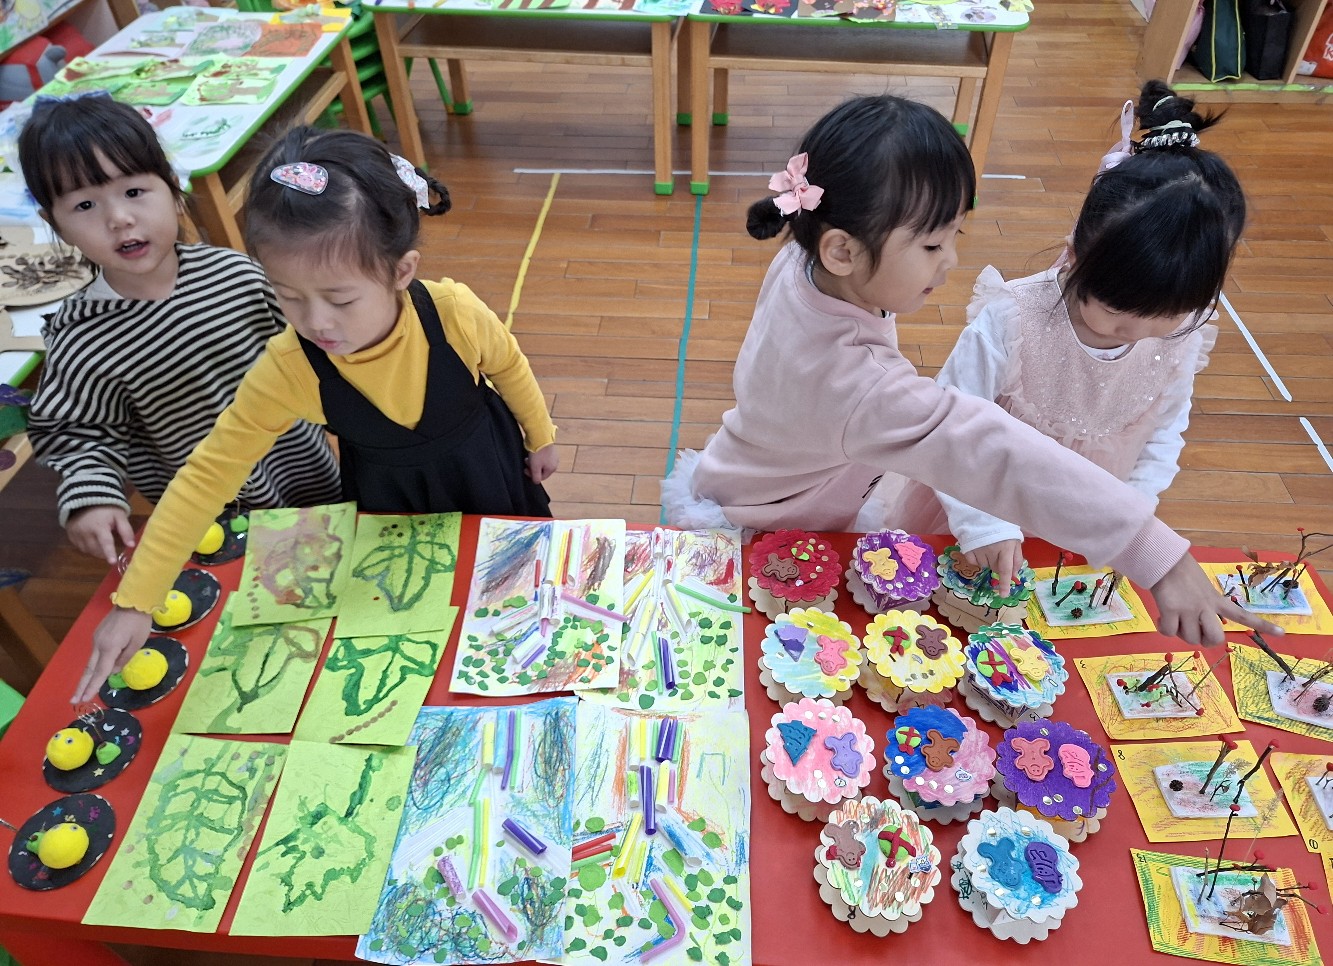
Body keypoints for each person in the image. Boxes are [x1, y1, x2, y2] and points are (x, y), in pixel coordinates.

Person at [660, 94, 1276, 648]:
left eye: (956, 234)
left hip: (752, 481)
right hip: (768, 533)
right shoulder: (862, 386)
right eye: (933, 245)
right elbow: (990, 449)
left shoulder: (806, 262)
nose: (952, 260)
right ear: (842, 248)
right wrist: (1156, 553)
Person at [74, 126, 559, 703]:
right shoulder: (289, 368)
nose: (317, 322)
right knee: (423, 615)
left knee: (509, 589)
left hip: (487, 472)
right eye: (288, 296)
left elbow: (509, 366)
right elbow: (206, 476)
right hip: (392, 504)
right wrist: (136, 600)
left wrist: (541, 436)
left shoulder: (453, 312)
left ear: (400, 272)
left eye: (341, 299)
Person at [886, 81, 1245, 585]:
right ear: (1076, 256)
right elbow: (947, 430)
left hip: (1083, 526)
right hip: (978, 509)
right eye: (1117, 311)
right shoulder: (1013, 319)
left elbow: (1164, 431)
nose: (1137, 332)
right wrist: (984, 526)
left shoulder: (1181, 335)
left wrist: (1130, 520)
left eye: (1165, 316)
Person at [18, 94, 341, 565]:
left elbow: (316, 350)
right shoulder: (81, 338)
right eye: (85, 204)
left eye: (133, 192)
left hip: (308, 475)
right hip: (210, 519)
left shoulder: (238, 276)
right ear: (56, 225)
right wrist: (92, 496)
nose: (119, 219)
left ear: (172, 188)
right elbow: (77, 432)